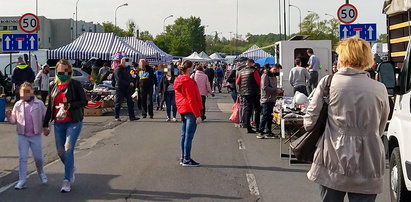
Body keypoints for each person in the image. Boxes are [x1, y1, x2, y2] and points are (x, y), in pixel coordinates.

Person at [304, 36, 390, 202]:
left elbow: (310, 121)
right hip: (369, 157)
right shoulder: (380, 88)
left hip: (334, 155)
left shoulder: (329, 82)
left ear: (342, 57)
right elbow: (380, 126)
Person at [43, 59, 88, 193]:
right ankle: (71, 167)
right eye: (60, 72)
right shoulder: (53, 85)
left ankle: (67, 180)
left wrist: (70, 105)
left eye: (66, 71)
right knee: (60, 152)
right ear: (56, 72)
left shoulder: (75, 84)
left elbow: (84, 101)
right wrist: (45, 124)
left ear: (70, 71)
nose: (63, 74)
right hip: (59, 123)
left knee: (68, 149)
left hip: (74, 121)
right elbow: (50, 106)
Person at [6, 82, 48, 190]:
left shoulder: (39, 104)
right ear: (20, 93)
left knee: (38, 158)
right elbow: (14, 121)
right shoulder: (18, 104)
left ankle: (41, 172)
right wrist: (9, 116)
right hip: (22, 135)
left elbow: (46, 118)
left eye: (28, 91)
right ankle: (22, 180)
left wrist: (47, 128)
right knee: (23, 157)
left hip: (35, 135)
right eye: (23, 92)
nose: (26, 94)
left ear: (32, 92)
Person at [174, 60, 203, 167]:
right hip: (190, 109)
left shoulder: (179, 80)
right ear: (189, 69)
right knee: (188, 136)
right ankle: (186, 158)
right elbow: (191, 99)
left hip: (183, 108)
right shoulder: (188, 82)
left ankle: (184, 157)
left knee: (184, 135)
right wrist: (198, 114)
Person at [257, 64, 283, 139]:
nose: (278, 73)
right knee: (265, 115)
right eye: (278, 71)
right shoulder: (265, 75)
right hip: (266, 98)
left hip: (272, 98)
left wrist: (279, 90)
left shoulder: (273, 76)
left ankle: (268, 131)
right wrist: (275, 90)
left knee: (270, 116)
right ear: (275, 69)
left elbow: (274, 86)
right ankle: (260, 131)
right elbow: (264, 87)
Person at [236, 59, 261, 133]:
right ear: (252, 63)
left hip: (244, 92)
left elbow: (237, 82)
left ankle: (247, 127)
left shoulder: (241, 71)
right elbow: (258, 82)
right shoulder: (254, 71)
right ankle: (257, 126)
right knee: (257, 109)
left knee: (248, 109)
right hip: (253, 92)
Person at [112, 54, 138, 121]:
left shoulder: (127, 69)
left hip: (128, 89)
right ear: (123, 62)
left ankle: (132, 117)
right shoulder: (118, 69)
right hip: (120, 88)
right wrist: (128, 83)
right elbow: (119, 79)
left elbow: (129, 76)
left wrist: (131, 81)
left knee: (131, 102)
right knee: (118, 102)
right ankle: (116, 116)